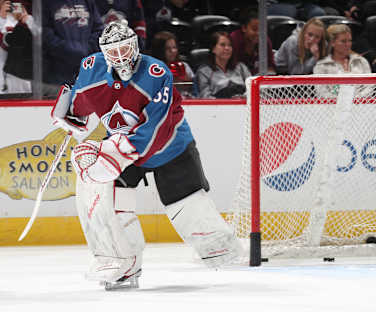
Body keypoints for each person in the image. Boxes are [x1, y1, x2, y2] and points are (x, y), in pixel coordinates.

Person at [51, 21, 242, 290]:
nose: (120, 57)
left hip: (169, 145)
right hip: (122, 146)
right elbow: (77, 104)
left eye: (125, 48)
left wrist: (115, 153)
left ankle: (218, 248)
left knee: (188, 207)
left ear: (135, 45)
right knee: (108, 199)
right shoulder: (91, 68)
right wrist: (68, 114)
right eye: (113, 51)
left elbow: (156, 127)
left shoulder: (155, 72)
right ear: (103, 53)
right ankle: (123, 265)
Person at [42, 0, 104, 85]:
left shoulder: (88, 2)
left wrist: (87, 50)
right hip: (58, 71)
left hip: (87, 69)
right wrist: (68, 51)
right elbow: (45, 33)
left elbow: (99, 29)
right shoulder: (47, 3)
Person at [195, 31, 251, 99]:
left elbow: (252, 88)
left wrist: (243, 97)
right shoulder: (204, 71)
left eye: (230, 45)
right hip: (218, 107)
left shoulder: (241, 67)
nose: (227, 48)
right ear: (213, 49)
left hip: (244, 106)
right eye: (222, 45)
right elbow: (205, 96)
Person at [230, 8, 276, 75]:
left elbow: (271, 68)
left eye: (261, 29)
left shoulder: (265, 41)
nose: (258, 33)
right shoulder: (234, 40)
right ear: (244, 28)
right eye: (254, 29)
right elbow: (229, 69)